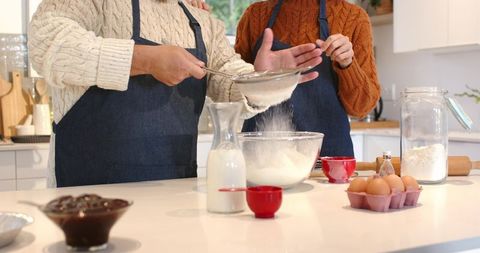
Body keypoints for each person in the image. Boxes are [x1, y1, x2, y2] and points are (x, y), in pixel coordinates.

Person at [28, 0, 323, 187]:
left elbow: (231, 85)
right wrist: (146, 60)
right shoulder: (95, 3)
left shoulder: (201, 20)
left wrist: (268, 78)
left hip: (174, 206)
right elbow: (46, 43)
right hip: (89, 205)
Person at [235, 0, 381, 157]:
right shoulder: (255, 16)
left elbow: (361, 108)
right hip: (260, 162)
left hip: (327, 165)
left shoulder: (354, 19)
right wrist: (258, 77)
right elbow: (231, 97)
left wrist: (348, 65)